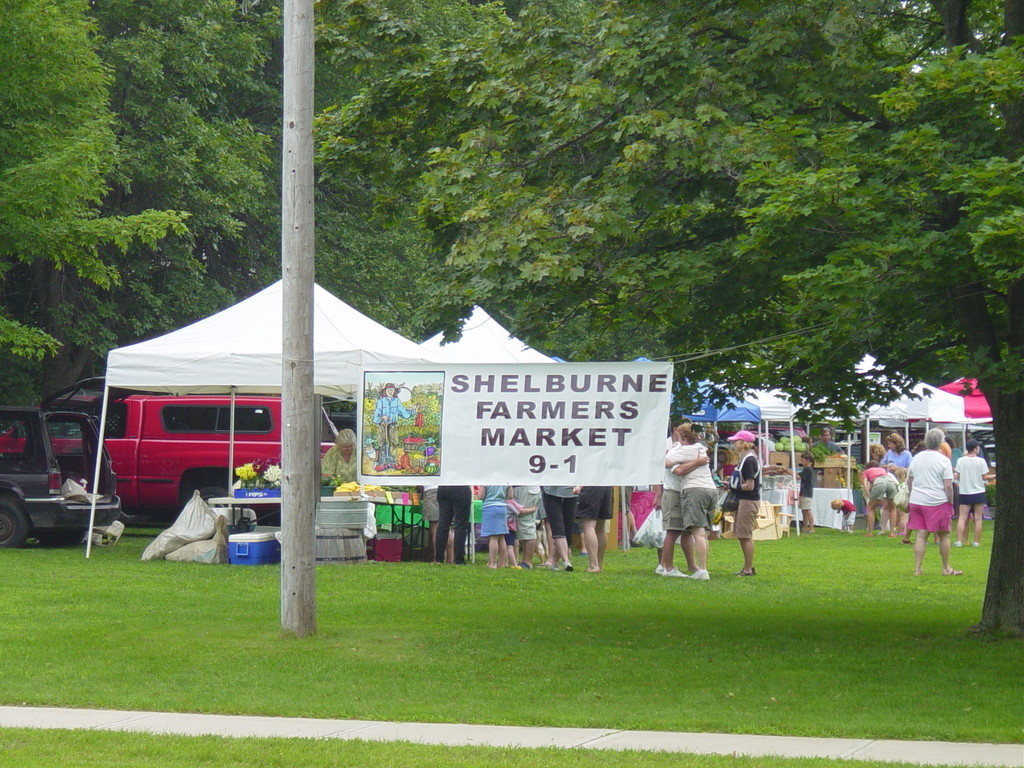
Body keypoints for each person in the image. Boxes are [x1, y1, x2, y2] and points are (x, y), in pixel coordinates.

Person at [907, 428, 961, 576]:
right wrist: (950, 501)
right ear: (941, 442)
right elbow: (948, 485)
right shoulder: (944, 460)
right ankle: (946, 568)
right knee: (944, 534)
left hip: (917, 500)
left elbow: (909, 480)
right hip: (937, 501)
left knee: (921, 534)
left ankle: (918, 569)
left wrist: (912, 496)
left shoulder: (916, 458)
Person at [728, 430, 760, 576]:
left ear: (743, 442)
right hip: (744, 500)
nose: (734, 444)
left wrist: (734, 486)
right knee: (742, 534)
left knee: (745, 535)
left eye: (736, 441)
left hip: (748, 500)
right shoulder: (746, 458)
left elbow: (749, 485)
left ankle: (748, 568)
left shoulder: (749, 460)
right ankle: (747, 567)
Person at [954, 440, 992, 548]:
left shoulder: (960, 461)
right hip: (979, 492)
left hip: (965, 492)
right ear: (975, 449)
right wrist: (994, 476)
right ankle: (976, 542)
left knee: (962, 518)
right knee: (978, 518)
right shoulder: (981, 461)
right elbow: (984, 477)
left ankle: (959, 541)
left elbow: (958, 476)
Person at [371, 383, 416, 470]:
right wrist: (382, 417)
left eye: (392, 390)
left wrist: (412, 411)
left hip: (393, 425)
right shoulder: (381, 401)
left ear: (394, 391)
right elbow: (376, 414)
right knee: (382, 443)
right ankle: (382, 463)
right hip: (383, 425)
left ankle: (393, 462)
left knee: (394, 443)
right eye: (388, 390)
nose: (390, 392)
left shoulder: (397, 401)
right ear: (385, 391)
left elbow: (403, 412)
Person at [541, 485, 580, 571]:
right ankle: (566, 561)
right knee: (557, 527)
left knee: (567, 531)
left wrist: (579, 487)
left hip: (571, 494)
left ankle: (554, 563)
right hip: (551, 493)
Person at [576, 485, 612, 572]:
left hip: (590, 486)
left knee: (589, 526)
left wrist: (579, 486)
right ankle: (599, 564)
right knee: (600, 527)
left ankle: (594, 566)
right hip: (606, 486)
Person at [434, 485, 471, 564]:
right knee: (460, 525)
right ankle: (459, 559)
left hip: (443, 487)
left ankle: (438, 559)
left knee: (443, 523)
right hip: (460, 487)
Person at [860, 461, 898, 537]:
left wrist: (867, 494)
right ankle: (892, 533)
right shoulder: (882, 470)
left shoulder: (866, 471)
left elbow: (865, 483)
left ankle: (870, 532)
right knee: (893, 508)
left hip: (879, 482)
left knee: (870, 508)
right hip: (890, 482)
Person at [509, 485, 541, 568]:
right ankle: (525, 561)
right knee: (523, 524)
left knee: (526, 522)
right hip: (523, 488)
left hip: (525, 487)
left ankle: (527, 562)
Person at [480, 485, 511, 568]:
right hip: (502, 507)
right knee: (502, 537)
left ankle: (493, 563)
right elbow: (510, 496)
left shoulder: (487, 480)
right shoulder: (506, 480)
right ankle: (502, 563)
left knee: (493, 537)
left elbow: (480, 496)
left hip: (490, 507)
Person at [797, 451, 816, 533]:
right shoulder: (806, 469)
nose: (801, 462)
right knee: (804, 511)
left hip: (806, 492)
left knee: (807, 510)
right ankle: (804, 527)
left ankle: (811, 527)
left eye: (802, 460)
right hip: (804, 492)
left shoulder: (808, 469)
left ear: (808, 460)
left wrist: (787, 471)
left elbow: (798, 477)